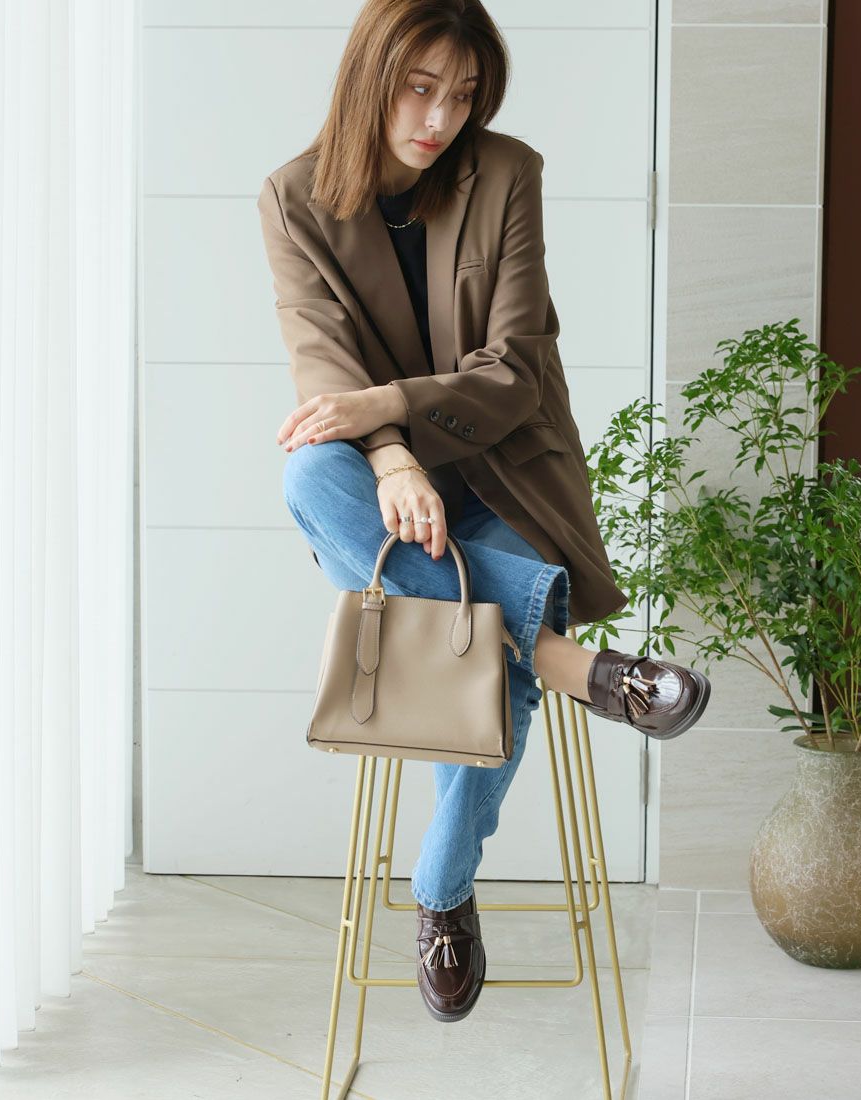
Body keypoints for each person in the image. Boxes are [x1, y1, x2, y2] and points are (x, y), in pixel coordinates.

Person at [256, 0, 711, 1025]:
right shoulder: (292, 198)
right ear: (370, 78)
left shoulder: (506, 173)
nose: (439, 118)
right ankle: (577, 668)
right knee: (307, 475)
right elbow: (319, 363)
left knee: (481, 646)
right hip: (388, 503)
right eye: (419, 89)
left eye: (461, 96)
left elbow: (512, 373)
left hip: (506, 472)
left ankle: (439, 886)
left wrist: (387, 408)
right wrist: (387, 459)